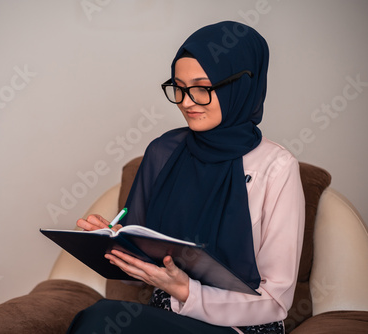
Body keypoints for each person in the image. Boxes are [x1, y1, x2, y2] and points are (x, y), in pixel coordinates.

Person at [67, 21, 305, 334]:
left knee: (100, 320)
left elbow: (276, 301)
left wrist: (186, 291)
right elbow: (144, 259)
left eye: (202, 88)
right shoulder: (164, 151)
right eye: (178, 87)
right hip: (167, 316)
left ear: (241, 85)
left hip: (240, 327)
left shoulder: (277, 167)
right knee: (98, 319)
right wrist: (112, 242)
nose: (187, 101)